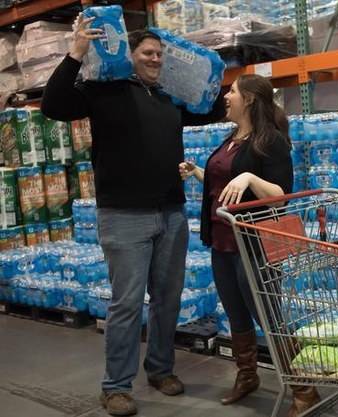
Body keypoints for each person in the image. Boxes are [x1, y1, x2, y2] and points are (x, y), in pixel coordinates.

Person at [41, 16, 225, 417]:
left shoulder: (169, 99)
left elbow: (213, 107)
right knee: (126, 305)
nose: (156, 59)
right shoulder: (106, 92)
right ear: (131, 54)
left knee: (167, 299)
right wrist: (75, 53)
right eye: (148, 53)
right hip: (124, 217)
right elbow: (53, 106)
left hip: (171, 214)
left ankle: (160, 369)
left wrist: (227, 80)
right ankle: (116, 387)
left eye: (160, 54)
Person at [179, 74, 320, 416]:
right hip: (222, 241)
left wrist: (251, 177)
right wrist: (198, 171)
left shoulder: (269, 140)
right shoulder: (232, 138)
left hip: (254, 245)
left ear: (250, 100)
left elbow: (279, 198)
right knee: (236, 313)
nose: (225, 97)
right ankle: (247, 376)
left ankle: (304, 388)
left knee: (267, 316)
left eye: (232, 92)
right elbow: (226, 188)